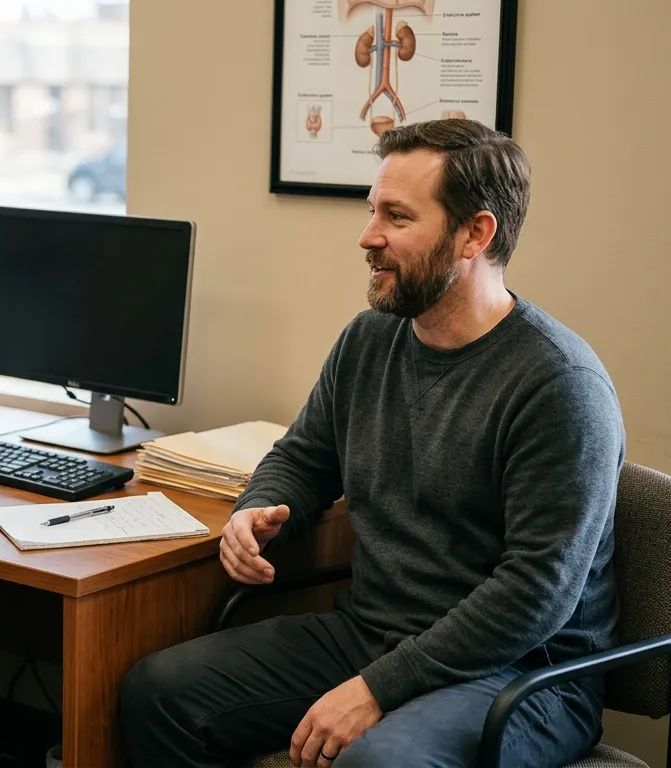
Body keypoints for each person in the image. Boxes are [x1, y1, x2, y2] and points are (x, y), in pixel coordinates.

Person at [120, 119, 625, 767]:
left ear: (475, 233)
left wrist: (376, 689)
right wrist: (260, 508)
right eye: (371, 211)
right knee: (158, 693)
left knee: (377, 764)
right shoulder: (369, 340)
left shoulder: (558, 384)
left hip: (521, 672)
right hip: (373, 634)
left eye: (396, 216)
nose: (367, 236)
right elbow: (304, 458)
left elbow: (535, 593)